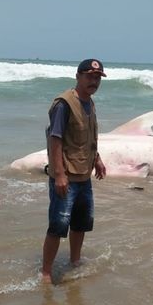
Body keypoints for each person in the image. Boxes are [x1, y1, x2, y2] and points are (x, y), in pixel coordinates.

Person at [41, 59, 107, 283]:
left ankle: (75, 261)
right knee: (58, 226)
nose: (94, 81)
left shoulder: (90, 102)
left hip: (83, 175)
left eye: (97, 78)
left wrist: (97, 159)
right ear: (78, 76)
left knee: (80, 223)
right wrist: (59, 174)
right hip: (66, 177)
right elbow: (55, 139)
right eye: (89, 76)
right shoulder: (64, 104)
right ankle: (46, 272)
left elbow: (87, 137)